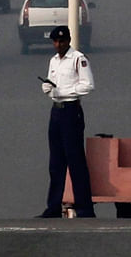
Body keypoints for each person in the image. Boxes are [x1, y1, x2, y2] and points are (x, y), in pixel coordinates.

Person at [39, 25, 95, 218]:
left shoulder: (78, 59)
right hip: (56, 112)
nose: (58, 44)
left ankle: (85, 208)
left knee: (76, 161)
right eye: (55, 41)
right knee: (55, 163)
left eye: (62, 41)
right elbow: (52, 82)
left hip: (71, 110)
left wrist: (65, 92)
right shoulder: (54, 61)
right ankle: (53, 206)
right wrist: (47, 88)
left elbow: (88, 86)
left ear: (68, 41)